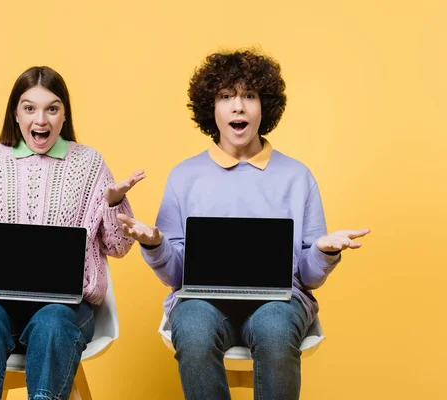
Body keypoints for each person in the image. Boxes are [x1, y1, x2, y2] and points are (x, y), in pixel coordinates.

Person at [117, 49, 370, 400]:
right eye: (226, 97)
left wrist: (323, 252)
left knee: (275, 328)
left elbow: (309, 277)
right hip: (203, 302)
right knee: (191, 327)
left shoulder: (297, 176)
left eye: (249, 96)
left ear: (264, 106)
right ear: (212, 109)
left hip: (279, 302)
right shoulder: (184, 176)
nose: (238, 107)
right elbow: (175, 277)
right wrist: (155, 246)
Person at [0, 66, 143, 400]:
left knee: (52, 323)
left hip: (64, 308)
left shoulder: (89, 163)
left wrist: (114, 203)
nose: (41, 119)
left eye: (52, 108)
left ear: (64, 115)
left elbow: (118, 246)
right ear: (16, 114)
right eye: (30, 108)